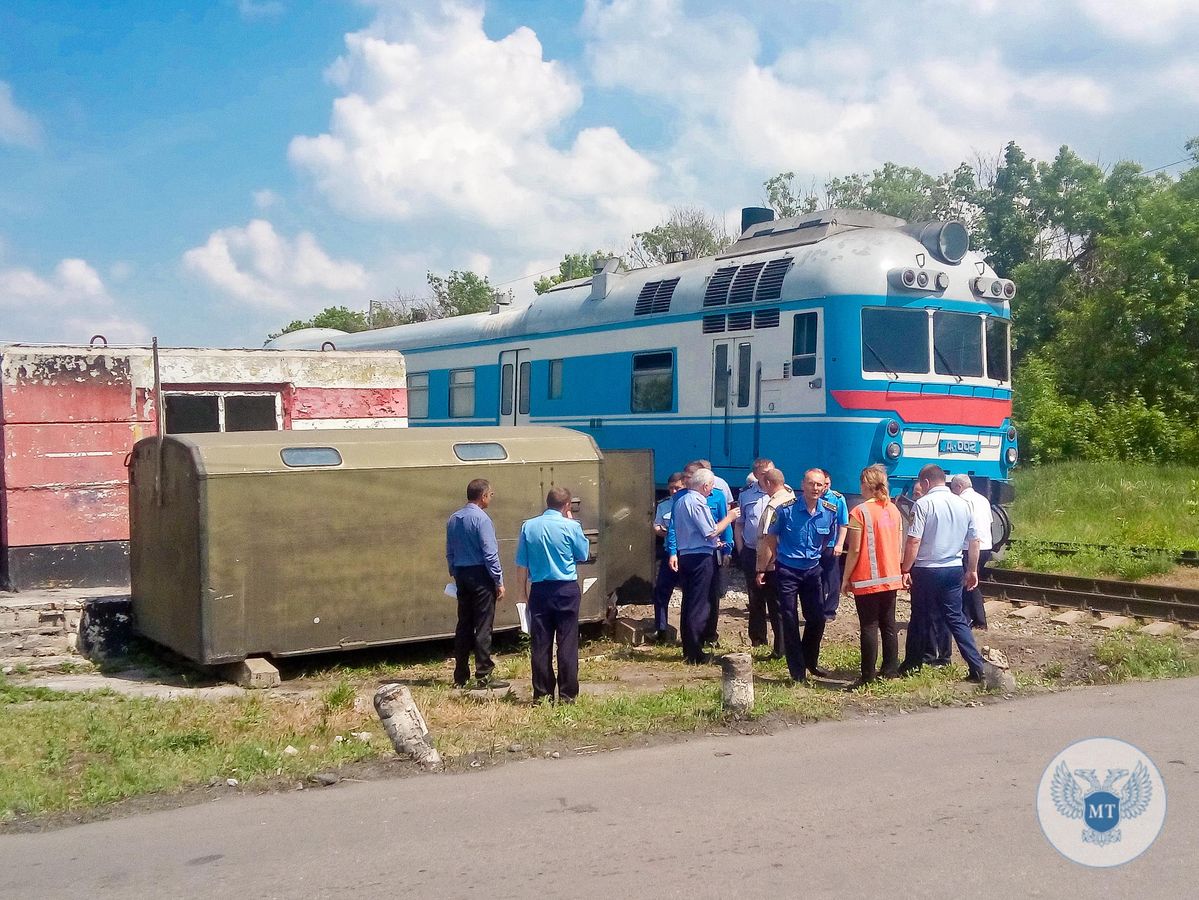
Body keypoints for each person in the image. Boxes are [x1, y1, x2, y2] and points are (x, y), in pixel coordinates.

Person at [898, 464, 987, 682]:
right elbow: (974, 540)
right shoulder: (963, 504)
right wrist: (972, 570)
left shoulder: (923, 504)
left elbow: (914, 540)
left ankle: (912, 664)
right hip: (954, 568)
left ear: (926, 482)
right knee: (956, 618)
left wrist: (905, 568)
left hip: (927, 569)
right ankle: (977, 666)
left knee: (919, 618)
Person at [756, 468, 838, 682]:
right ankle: (797, 671)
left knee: (818, 618)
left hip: (812, 570)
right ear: (803, 485)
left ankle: (810, 659)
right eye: (811, 483)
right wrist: (767, 565)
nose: (815, 488)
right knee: (790, 619)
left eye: (819, 484)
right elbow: (771, 538)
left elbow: (829, 537)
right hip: (788, 570)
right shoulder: (785, 510)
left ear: (824, 487)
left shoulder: (829, 511)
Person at [515, 486, 591, 703]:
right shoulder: (571, 526)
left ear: (547, 503)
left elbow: (522, 562)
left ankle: (542, 694)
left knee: (540, 642)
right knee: (567, 642)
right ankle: (567, 695)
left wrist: (522, 593)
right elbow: (583, 554)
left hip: (539, 589)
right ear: (567, 505)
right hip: (566, 589)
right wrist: (571, 521)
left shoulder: (528, 526)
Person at [668, 468, 740, 664]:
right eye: (710, 487)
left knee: (690, 602)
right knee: (699, 604)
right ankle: (695, 652)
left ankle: (689, 648)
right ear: (705, 485)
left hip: (688, 554)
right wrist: (730, 517)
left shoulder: (681, 500)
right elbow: (710, 531)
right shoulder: (697, 501)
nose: (711, 491)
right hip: (700, 557)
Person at [841, 464, 904, 686]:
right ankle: (890, 670)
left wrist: (845, 578)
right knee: (888, 625)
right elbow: (898, 544)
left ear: (865, 484)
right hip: (891, 577)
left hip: (867, 578)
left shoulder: (859, 512)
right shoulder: (893, 509)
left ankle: (867, 676)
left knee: (868, 626)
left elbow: (855, 550)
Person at [445, 478, 508, 689]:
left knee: (463, 625)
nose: (490, 498)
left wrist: (454, 571)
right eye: (490, 495)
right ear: (483, 497)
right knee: (483, 625)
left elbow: (450, 551)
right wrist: (498, 580)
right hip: (481, 575)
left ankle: (460, 676)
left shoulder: (453, 519)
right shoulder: (482, 520)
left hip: (461, 574)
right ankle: (484, 675)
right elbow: (490, 553)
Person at [736, 458, 781, 655]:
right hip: (752, 551)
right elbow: (740, 523)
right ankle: (758, 639)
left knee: (776, 599)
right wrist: (740, 549)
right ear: (756, 475)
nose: (769, 476)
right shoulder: (746, 495)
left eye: (772, 471)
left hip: (776, 555)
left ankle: (781, 643)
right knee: (755, 598)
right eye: (765, 473)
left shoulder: (784, 493)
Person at [951, 474, 994, 629]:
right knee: (971, 582)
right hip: (986, 546)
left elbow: (958, 525)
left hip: (969, 547)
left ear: (958, 487)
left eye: (953, 488)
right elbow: (989, 522)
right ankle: (967, 618)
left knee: (969, 584)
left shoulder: (961, 501)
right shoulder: (983, 500)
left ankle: (979, 621)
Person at [651, 472, 687, 642]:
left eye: (677, 488)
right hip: (669, 553)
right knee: (661, 591)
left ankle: (689, 632)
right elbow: (657, 526)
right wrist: (659, 531)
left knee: (690, 593)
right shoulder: (664, 505)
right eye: (671, 488)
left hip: (686, 554)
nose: (674, 491)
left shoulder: (689, 503)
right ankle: (661, 628)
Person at [818, 469, 850, 621]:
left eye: (826, 484)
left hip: (831, 545)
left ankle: (830, 610)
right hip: (815, 545)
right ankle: (817, 606)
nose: (823, 487)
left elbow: (843, 524)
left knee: (832, 578)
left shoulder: (837, 499)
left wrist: (840, 544)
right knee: (817, 578)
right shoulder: (812, 497)